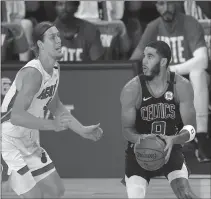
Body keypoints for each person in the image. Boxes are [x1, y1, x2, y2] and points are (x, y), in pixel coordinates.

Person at [1, 21, 103, 198]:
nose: (59, 40)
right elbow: (16, 117)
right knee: (35, 196)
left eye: (58, 35)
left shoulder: (55, 68)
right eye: (52, 37)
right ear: (40, 45)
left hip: (28, 141)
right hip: (8, 140)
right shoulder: (33, 73)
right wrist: (52, 125)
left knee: (56, 191)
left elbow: (55, 105)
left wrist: (82, 130)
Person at [130, 1, 210, 163]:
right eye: (161, 4)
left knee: (198, 73)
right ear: (156, 6)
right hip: (165, 82)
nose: (166, 8)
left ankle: (201, 138)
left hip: (189, 79)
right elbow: (134, 60)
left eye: (170, 3)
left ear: (178, 3)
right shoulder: (153, 26)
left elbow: (202, 61)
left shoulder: (190, 23)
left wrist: (171, 70)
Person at [120, 41, 200, 199]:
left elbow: (191, 129)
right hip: (139, 154)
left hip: (170, 149)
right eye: (144, 56)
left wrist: (174, 139)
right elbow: (126, 130)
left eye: (150, 57)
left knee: (186, 194)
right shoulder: (132, 89)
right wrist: (140, 138)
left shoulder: (181, 86)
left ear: (163, 61)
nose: (144, 61)